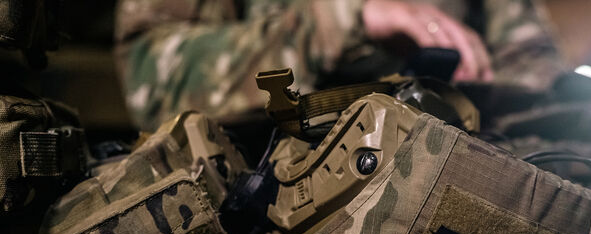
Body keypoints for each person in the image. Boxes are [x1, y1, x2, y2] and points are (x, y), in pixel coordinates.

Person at [114, 0, 567, 131]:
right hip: (274, 205)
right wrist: (341, 24)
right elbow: (151, 78)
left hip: (457, 170)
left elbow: (530, 68)